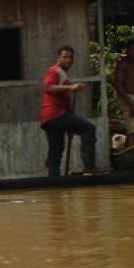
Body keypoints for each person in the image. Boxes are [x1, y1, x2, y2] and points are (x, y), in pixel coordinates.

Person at [40, 45, 97, 177]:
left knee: (56, 148)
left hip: (49, 118)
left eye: (71, 57)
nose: (69, 60)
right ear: (58, 58)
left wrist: (69, 124)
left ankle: (54, 178)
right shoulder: (55, 71)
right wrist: (71, 87)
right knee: (89, 129)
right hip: (55, 114)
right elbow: (48, 88)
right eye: (65, 57)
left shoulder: (62, 73)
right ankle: (89, 170)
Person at [113, 38, 134, 147]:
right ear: (128, 50)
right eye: (133, 49)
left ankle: (131, 155)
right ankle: (131, 156)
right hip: (127, 98)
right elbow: (118, 84)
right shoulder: (123, 64)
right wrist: (130, 103)